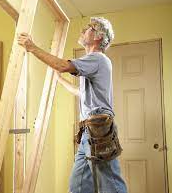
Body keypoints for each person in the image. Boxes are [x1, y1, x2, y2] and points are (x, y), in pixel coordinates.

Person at [17, 17, 127, 193]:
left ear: (98, 37)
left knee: (110, 184)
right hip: (88, 132)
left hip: (99, 129)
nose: (84, 30)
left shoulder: (97, 59)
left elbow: (62, 65)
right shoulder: (94, 63)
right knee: (79, 185)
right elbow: (80, 92)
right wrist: (60, 81)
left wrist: (32, 47)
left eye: (89, 28)